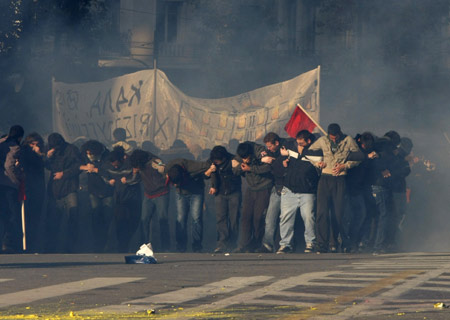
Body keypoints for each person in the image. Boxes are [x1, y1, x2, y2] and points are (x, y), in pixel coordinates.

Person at [308, 123, 362, 253]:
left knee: (338, 213)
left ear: (340, 133)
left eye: (335, 137)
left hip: (340, 179)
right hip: (325, 178)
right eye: (331, 137)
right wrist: (317, 163)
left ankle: (337, 242)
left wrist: (346, 166)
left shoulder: (348, 140)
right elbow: (309, 153)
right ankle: (322, 244)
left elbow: (359, 157)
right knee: (322, 212)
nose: (333, 139)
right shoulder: (322, 140)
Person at [277, 130, 319, 254]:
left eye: (301, 143)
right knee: (285, 217)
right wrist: (284, 162)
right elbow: (280, 159)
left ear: (309, 141)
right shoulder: (290, 148)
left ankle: (311, 243)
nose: (299, 145)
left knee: (308, 217)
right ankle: (285, 244)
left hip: (307, 191)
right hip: (289, 190)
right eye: (298, 142)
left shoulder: (315, 152)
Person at [166, 157, 214, 252]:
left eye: (177, 182)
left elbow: (209, 165)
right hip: (180, 194)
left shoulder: (193, 166)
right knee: (180, 219)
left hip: (196, 192)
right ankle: (181, 246)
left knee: (196, 218)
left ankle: (196, 246)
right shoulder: (169, 167)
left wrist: (210, 170)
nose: (175, 185)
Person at [232, 141, 273, 253]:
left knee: (258, 218)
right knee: (246, 217)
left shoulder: (260, 151)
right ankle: (243, 245)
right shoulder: (240, 153)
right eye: (243, 158)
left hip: (264, 187)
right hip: (250, 188)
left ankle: (256, 244)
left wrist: (251, 168)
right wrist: (241, 167)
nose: (245, 160)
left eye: (247, 158)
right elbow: (235, 170)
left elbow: (268, 167)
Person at [44, 133, 82, 253]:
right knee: (53, 219)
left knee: (73, 216)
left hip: (70, 188)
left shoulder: (71, 149)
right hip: (55, 189)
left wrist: (64, 174)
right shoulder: (49, 149)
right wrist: (47, 157)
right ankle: (51, 247)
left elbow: (79, 166)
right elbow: (46, 166)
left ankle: (71, 247)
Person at [100, 146, 140, 252]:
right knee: (120, 223)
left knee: (133, 222)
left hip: (132, 199)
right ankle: (122, 246)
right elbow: (102, 173)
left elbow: (137, 179)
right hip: (119, 200)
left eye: (116, 163)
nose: (115, 166)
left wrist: (129, 180)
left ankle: (131, 244)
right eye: (113, 164)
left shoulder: (130, 165)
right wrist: (109, 181)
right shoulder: (108, 166)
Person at [130, 149, 171, 252]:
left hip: (161, 193)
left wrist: (161, 168)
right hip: (148, 195)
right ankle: (144, 246)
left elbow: (163, 168)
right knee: (144, 220)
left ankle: (166, 246)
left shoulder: (155, 161)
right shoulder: (140, 164)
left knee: (163, 220)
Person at [260, 132, 293, 253]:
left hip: (289, 188)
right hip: (276, 187)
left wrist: (274, 162)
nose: (268, 149)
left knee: (286, 218)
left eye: (270, 146)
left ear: (277, 143)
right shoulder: (270, 152)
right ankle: (267, 244)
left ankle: (286, 244)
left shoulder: (288, 148)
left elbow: (284, 167)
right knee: (270, 217)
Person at [79, 140, 114, 252]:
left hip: (107, 191)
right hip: (93, 191)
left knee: (107, 217)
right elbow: (77, 165)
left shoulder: (107, 156)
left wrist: (96, 169)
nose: (89, 155)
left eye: (91, 154)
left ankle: (107, 242)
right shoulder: (85, 157)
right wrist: (85, 167)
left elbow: (109, 172)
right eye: (87, 153)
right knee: (95, 215)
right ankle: (97, 243)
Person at [209, 146, 242, 253]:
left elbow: (241, 172)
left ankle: (233, 243)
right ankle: (222, 243)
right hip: (220, 193)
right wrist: (213, 184)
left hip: (234, 192)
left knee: (234, 219)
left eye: (218, 160)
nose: (217, 162)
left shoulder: (233, 160)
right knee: (221, 218)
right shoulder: (212, 162)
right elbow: (208, 174)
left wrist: (236, 167)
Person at [20, 132, 46, 252]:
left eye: (37, 144)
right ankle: (23, 243)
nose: (35, 146)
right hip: (27, 188)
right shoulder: (24, 153)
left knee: (36, 218)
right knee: (25, 217)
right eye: (32, 144)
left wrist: (40, 155)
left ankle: (33, 243)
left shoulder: (40, 154)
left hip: (38, 189)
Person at [0, 125, 24, 253]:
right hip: (7, 184)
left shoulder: (2, 142)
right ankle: (9, 243)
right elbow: (9, 165)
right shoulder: (14, 147)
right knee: (11, 214)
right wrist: (16, 180)